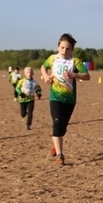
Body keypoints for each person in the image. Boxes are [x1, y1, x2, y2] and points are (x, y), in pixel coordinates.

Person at [40, 33, 90, 166]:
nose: (64, 51)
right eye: (62, 47)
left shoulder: (75, 61)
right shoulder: (52, 58)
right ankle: (60, 155)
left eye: (67, 49)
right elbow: (43, 67)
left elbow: (87, 76)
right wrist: (45, 76)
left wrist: (74, 74)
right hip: (55, 97)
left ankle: (55, 145)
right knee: (57, 122)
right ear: (57, 47)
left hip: (69, 99)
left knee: (62, 128)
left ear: (71, 50)